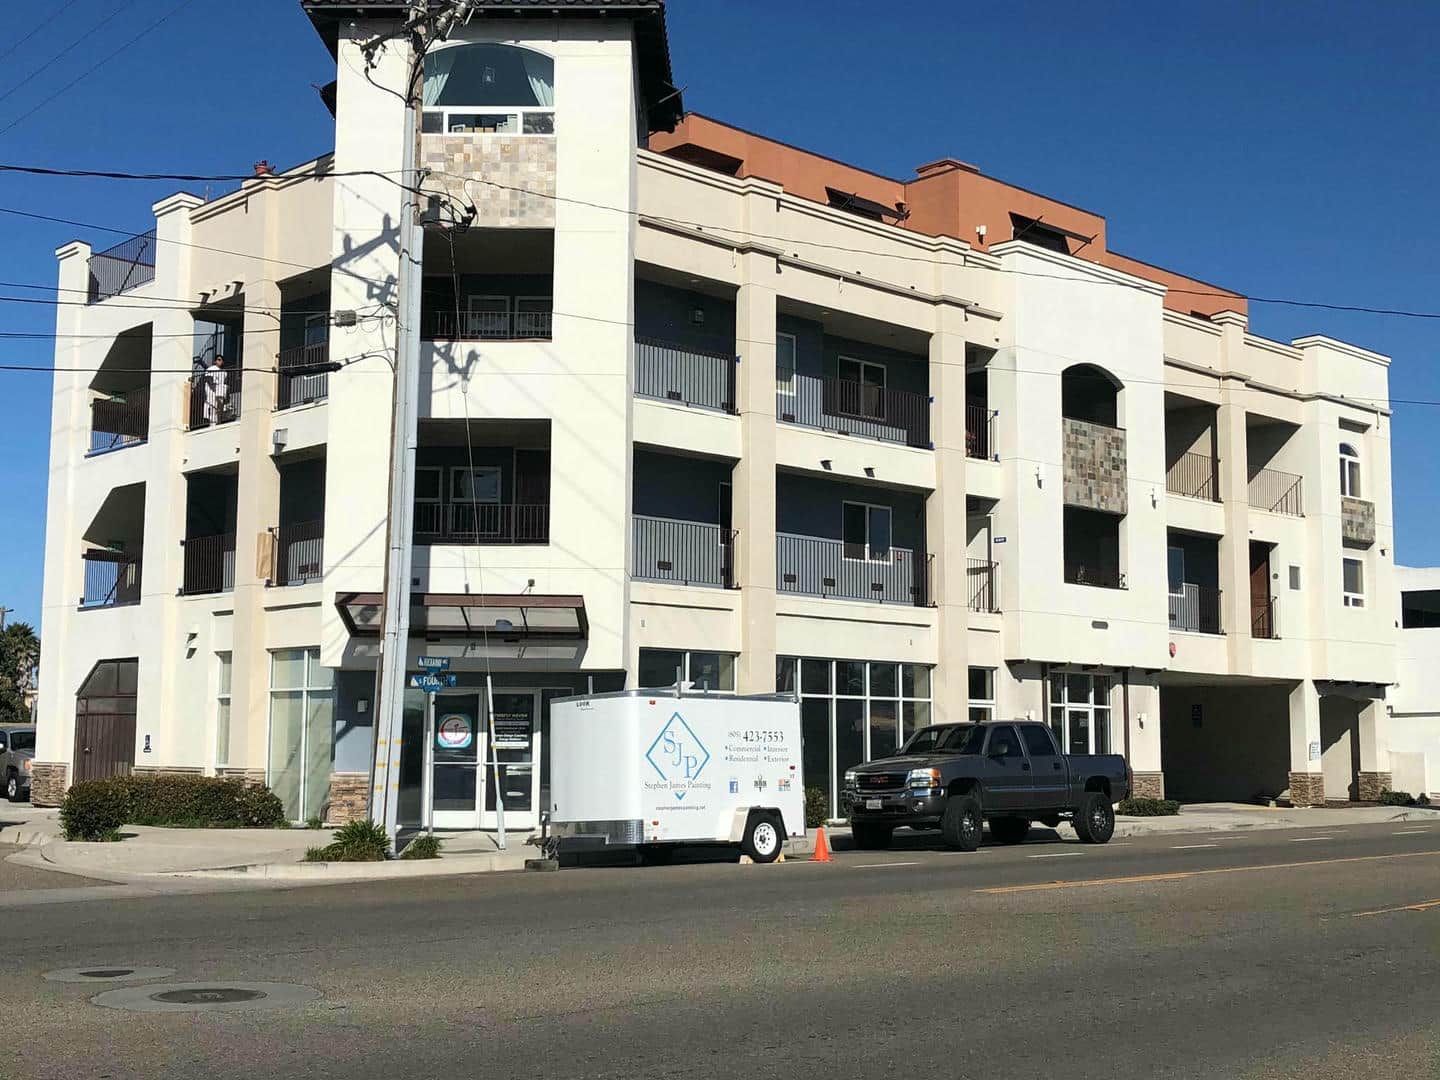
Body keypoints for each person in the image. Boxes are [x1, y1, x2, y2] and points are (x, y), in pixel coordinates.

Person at [204, 355, 230, 425]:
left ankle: (218, 422)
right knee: (212, 407)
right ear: (215, 361)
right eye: (219, 359)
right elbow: (208, 379)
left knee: (219, 408)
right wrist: (215, 388)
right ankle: (212, 424)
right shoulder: (211, 368)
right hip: (211, 392)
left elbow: (225, 382)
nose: (220, 361)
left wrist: (223, 389)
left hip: (220, 392)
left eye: (221, 360)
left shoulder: (224, 372)